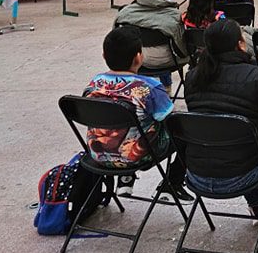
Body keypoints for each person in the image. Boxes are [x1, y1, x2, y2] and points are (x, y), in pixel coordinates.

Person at [183, 20, 258, 217]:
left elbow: (201, 122)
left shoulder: (192, 77)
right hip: (240, 176)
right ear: (240, 44)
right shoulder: (257, 77)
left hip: (196, 175)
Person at [82, 26, 191, 200]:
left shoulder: (94, 84)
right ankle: (172, 184)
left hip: (98, 155)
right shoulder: (148, 87)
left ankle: (125, 180)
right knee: (186, 132)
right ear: (139, 57)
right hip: (137, 156)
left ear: (104, 56)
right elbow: (171, 121)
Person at [114, 0, 188, 88]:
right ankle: (166, 88)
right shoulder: (174, 16)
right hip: (164, 62)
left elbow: (115, 40)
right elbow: (181, 50)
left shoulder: (124, 14)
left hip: (133, 60)